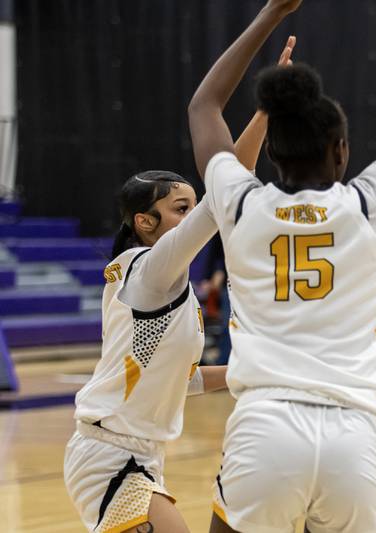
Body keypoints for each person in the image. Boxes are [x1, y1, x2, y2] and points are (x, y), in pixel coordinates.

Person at [186, 0, 376, 531]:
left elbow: (204, 107)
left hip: (264, 428)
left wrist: (271, 14)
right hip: (355, 435)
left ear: (271, 152)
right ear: (341, 151)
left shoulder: (241, 204)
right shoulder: (367, 203)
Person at [62, 39, 296, 533]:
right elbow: (227, 193)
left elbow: (179, 380)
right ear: (146, 222)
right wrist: (265, 112)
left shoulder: (163, 286)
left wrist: (249, 373)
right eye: (181, 209)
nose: (193, 215)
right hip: (108, 457)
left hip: (140, 456)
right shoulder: (147, 270)